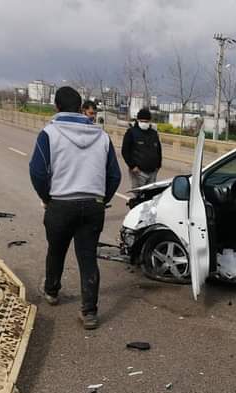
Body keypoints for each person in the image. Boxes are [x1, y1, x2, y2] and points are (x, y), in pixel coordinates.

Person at [29, 86, 121, 330]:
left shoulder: (48, 134)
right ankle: (89, 312)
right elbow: (114, 175)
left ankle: (51, 291)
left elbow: (37, 172)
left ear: (56, 107)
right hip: (93, 206)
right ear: (81, 109)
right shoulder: (102, 136)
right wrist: (101, 198)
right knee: (88, 257)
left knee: (56, 250)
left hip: (60, 204)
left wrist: (48, 198)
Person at [121, 108, 162, 190]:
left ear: (149, 121)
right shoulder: (131, 132)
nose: (144, 123)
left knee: (150, 196)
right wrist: (132, 166)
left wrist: (158, 165)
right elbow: (125, 151)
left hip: (152, 172)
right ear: (138, 120)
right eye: (142, 121)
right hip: (138, 172)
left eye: (146, 121)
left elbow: (158, 150)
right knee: (139, 196)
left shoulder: (153, 134)